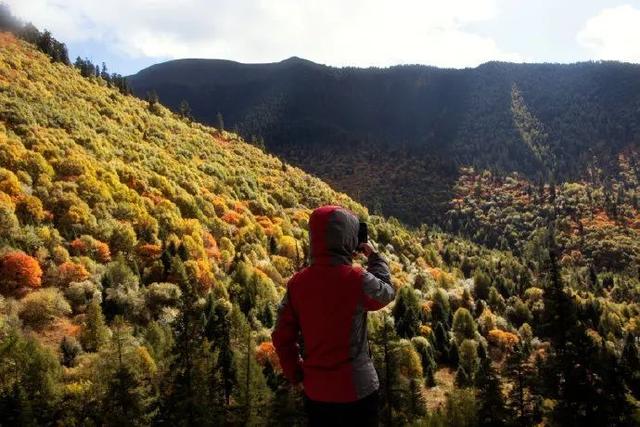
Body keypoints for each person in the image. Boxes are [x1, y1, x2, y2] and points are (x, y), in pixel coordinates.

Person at [272, 205, 396, 426]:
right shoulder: (356, 279)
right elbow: (386, 293)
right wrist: (376, 258)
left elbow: (281, 335)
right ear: (347, 239)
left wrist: (296, 374)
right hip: (359, 391)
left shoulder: (297, 284)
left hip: (317, 393)